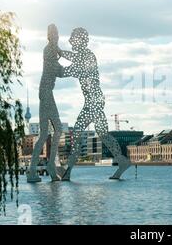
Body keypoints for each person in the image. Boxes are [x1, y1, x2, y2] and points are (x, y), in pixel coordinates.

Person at [58, 28, 131, 180]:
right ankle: (123, 162)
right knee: (103, 134)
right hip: (95, 100)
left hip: (93, 101)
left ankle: (67, 171)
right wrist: (59, 52)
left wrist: (57, 68)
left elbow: (73, 69)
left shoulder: (88, 56)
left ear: (80, 40)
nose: (71, 42)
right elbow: (73, 57)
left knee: (77, 133)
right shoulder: (83, 55)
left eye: (73, 39)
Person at [27, 24, 65, 182]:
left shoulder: (53, 49)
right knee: (57, 129)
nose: (56, 36)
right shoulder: (49, 50)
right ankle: (46, 166)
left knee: (45, 134)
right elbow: (56, 70)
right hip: (46, 93)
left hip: (46, 92)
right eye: (54, 34)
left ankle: (35, 170)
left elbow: (59, 61)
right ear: (49, 36)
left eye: (57, 34)